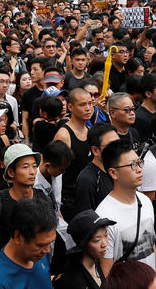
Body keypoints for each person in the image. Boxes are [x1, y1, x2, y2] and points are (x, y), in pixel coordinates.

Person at [96, 139, 156, 281]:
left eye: (139, 162)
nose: (139, 169)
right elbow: (106, 273)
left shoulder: (145, 201)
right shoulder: (105, 216)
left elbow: (152, 248)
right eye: (132, 165)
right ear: (113, 173)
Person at [0, 197, 55, 289]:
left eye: (50, 242)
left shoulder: (39, 255)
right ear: (18, 237)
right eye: (41, 245)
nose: (47, 250)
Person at [0, 144, 51, 250]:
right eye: (25, 167)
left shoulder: (43, 199)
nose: (32, 172)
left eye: (34, 166)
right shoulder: (0, 202)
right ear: (11, 172)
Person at [54, 88, 94, 222]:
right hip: (69, 200)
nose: (88, 108)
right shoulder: (64, 134)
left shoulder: (90, 131)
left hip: (88, 196)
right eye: (82, 104)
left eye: (90, 103)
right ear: (70, 107)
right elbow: (54, 172)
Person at [52, 209, 114, 289]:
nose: (104, 244)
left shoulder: (95, 262)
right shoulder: (74, 281)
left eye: (106, 235)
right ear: (83, 244)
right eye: (97, 240)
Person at [74, 124, 119, 213]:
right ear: (95, 150)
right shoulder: (87, 180)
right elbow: (85, 219)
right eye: (111, 145)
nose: (117, 149)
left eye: (118, 143)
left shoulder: (121, 169)